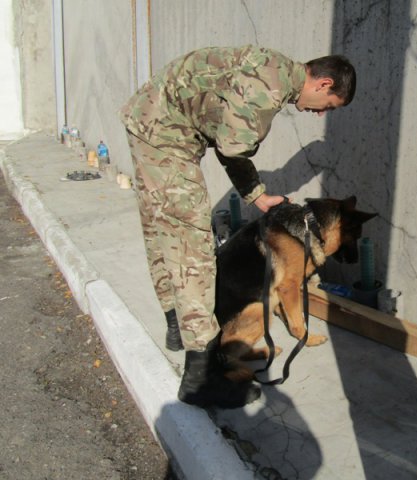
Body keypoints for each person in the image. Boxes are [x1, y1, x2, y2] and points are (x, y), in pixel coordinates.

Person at [119, 45, 356, 409]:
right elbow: (234, 144)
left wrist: (256, 195)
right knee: (191, 250)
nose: (318, 113)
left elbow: (225, 135)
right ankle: (202, 376)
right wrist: (254, 174)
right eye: (327, 106)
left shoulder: (273, 67)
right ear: (323, 84)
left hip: (150, 122)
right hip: (168, 138)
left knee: (161, 231)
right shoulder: (270, 87)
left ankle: (176, 325)